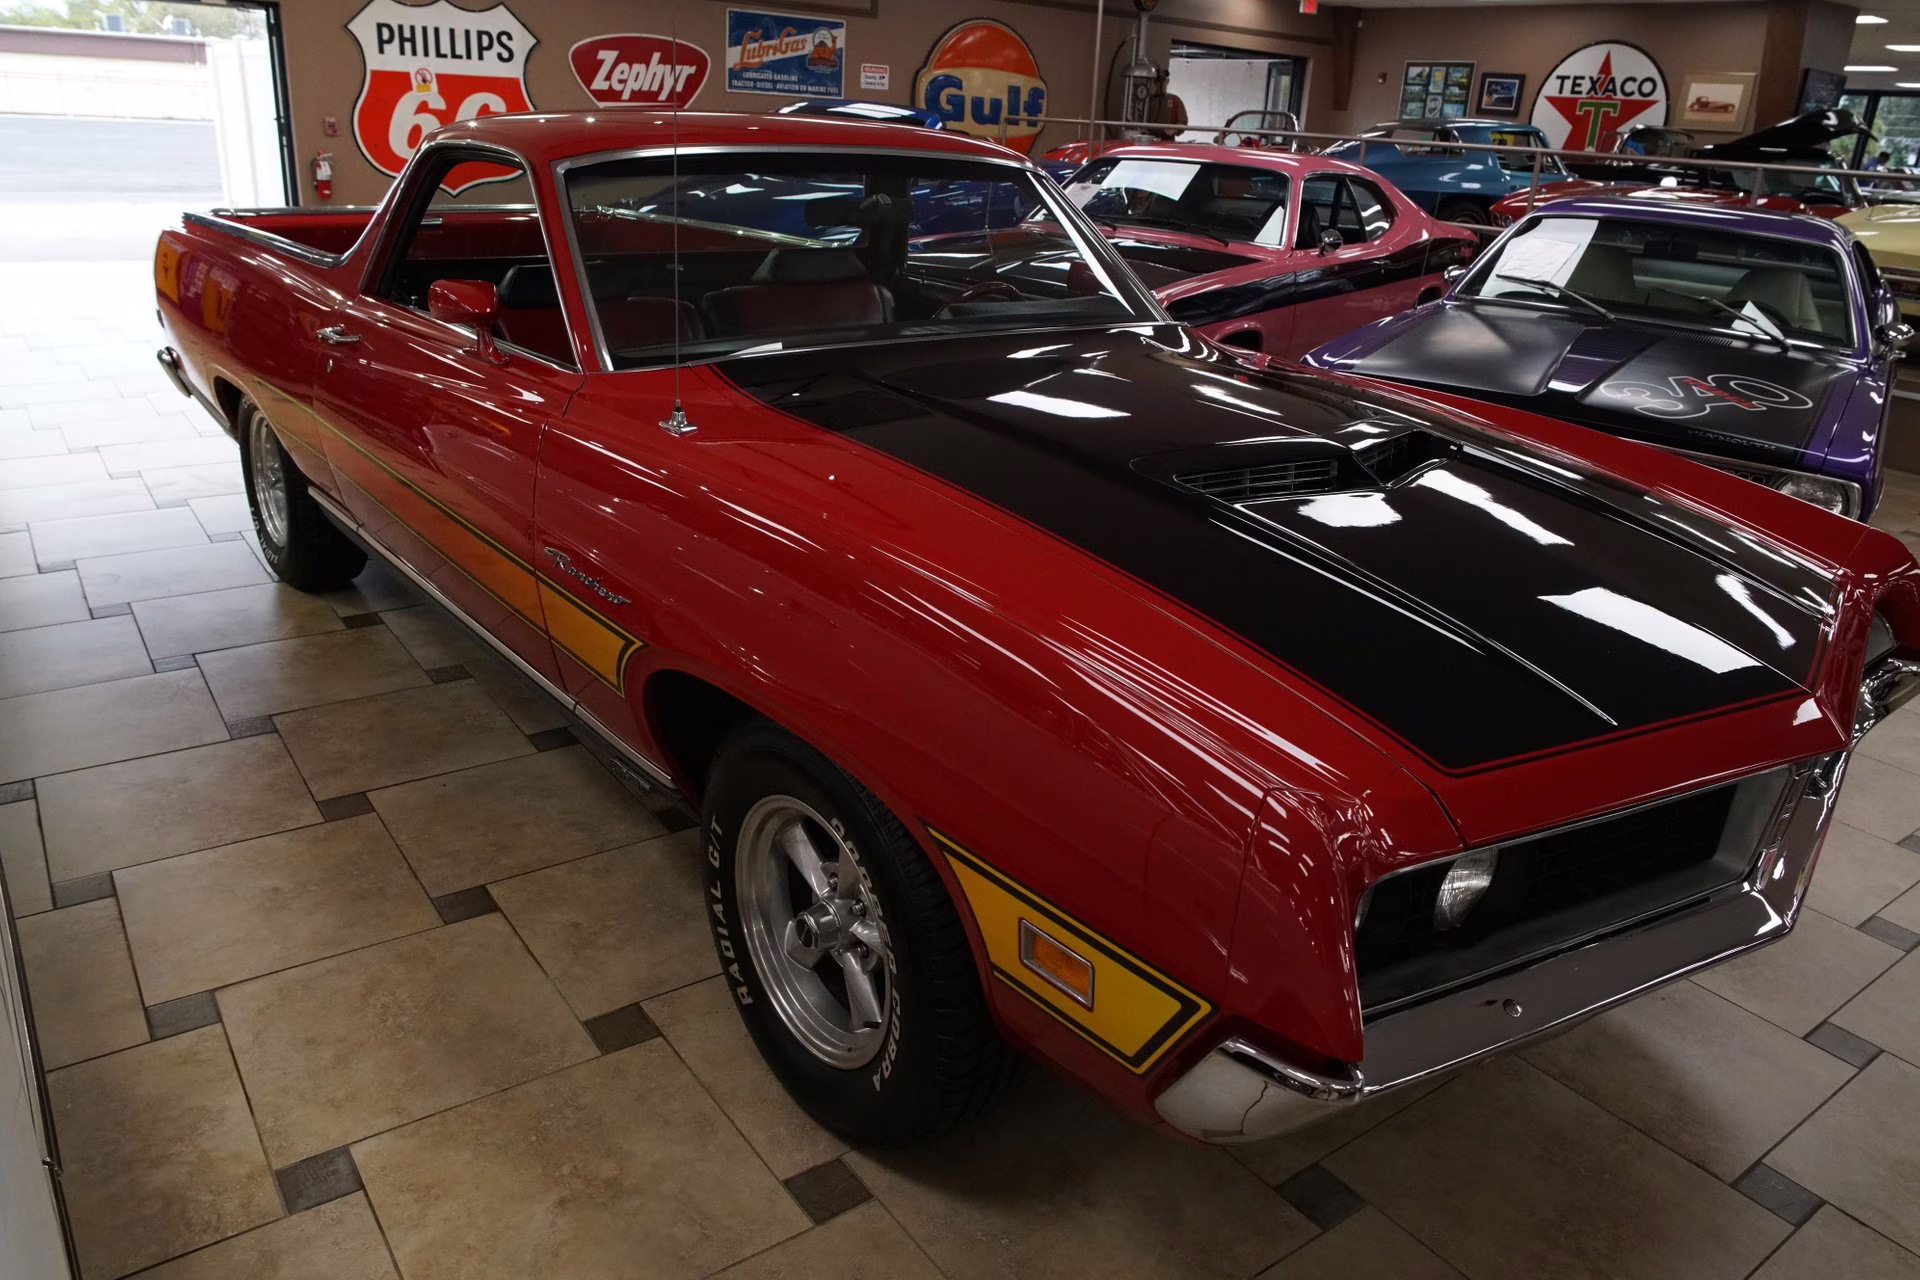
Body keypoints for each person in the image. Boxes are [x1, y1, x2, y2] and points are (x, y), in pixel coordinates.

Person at [1145, 69, 1187, 142]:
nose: (1160, 84)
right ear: (1155, 82)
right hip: (1148, 139)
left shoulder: (1175, 100)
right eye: (1158, 81)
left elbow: (1183, 122)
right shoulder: (1148, 100)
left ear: (1167, 81)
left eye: (1163, 81)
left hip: (1167, 140)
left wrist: (1174, 129)